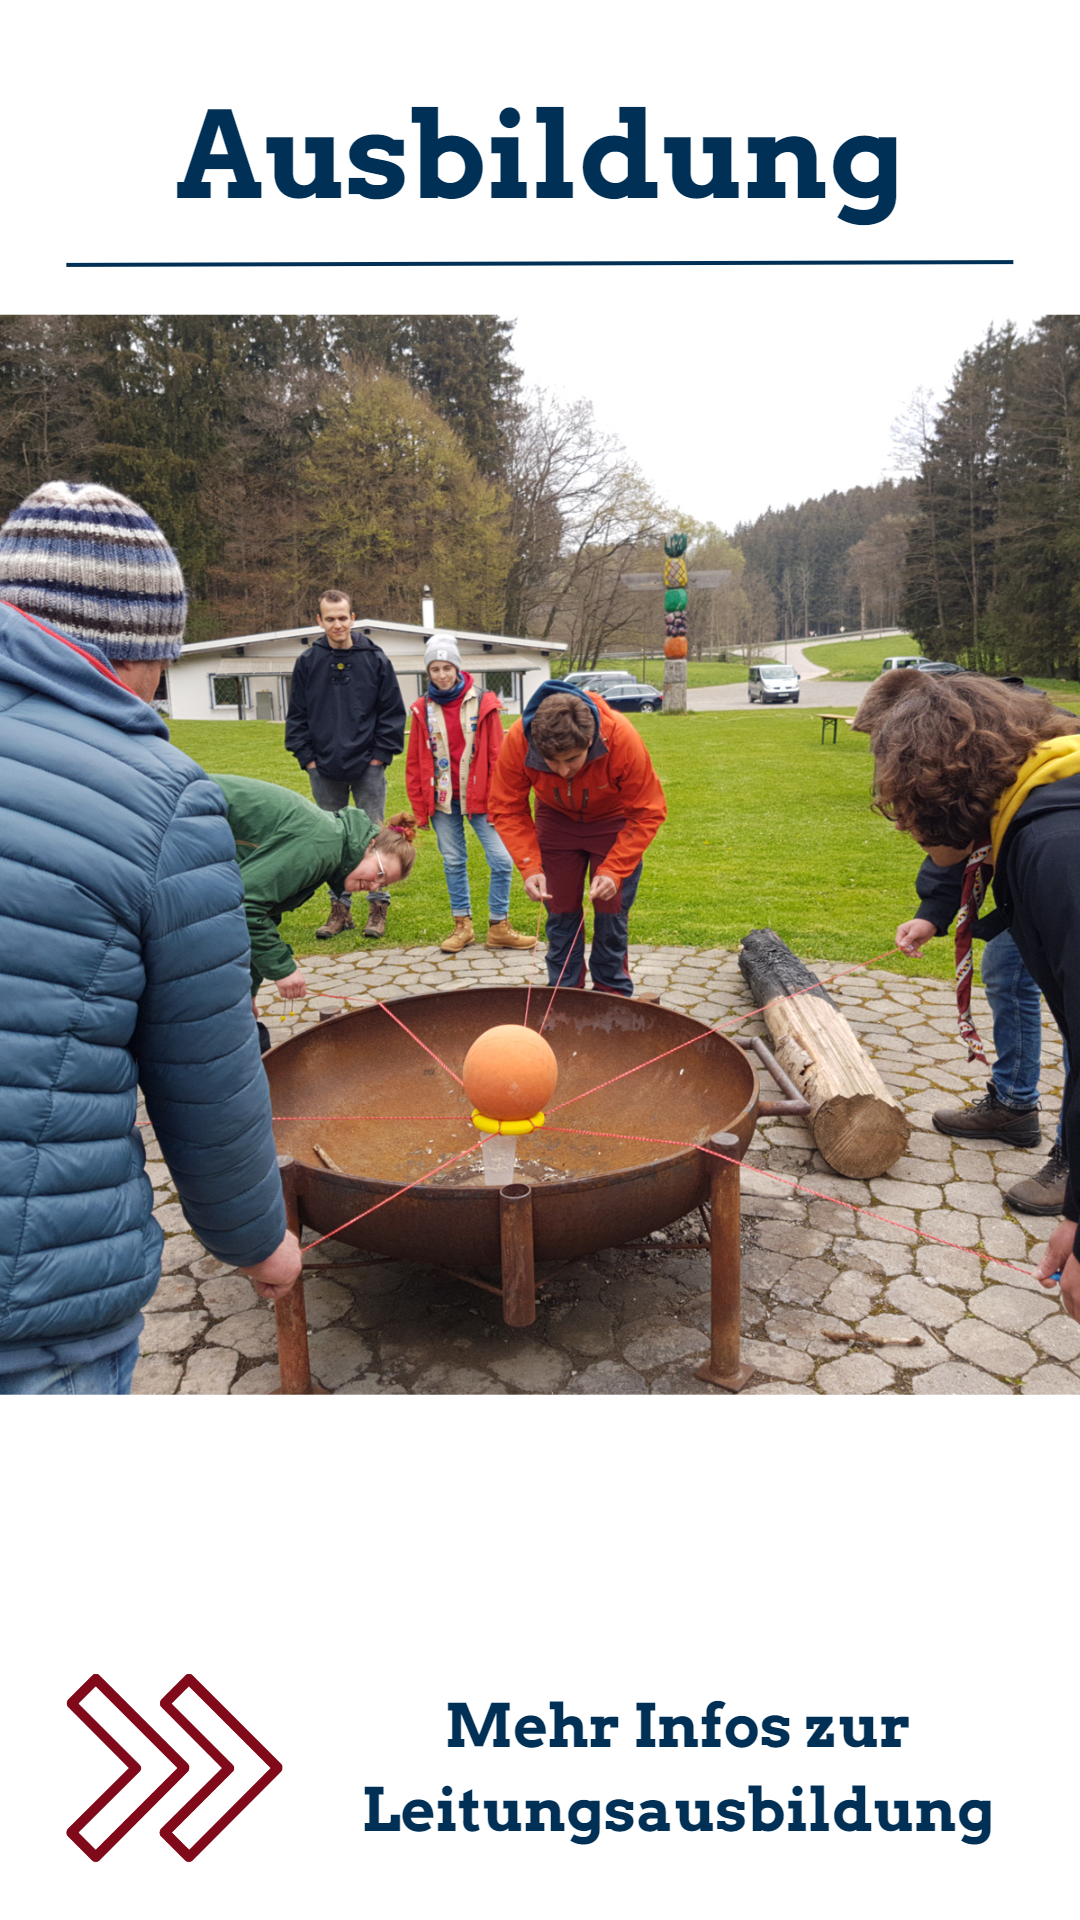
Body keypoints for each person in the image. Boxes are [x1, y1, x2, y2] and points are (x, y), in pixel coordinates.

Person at [0, 480, 300, 1394]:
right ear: (134, 648)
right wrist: (258, 1240)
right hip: (36, 1302)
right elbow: (207, 1072)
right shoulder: (160, 796)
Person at [853, 670, 1080, 1322]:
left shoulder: (1055, 849)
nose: (902, 825)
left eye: (904, 806)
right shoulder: (1034, 809)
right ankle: (1011, 1103)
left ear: (946, 789)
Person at [487, 680, 666, 996]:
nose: (562, 771)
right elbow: (506, 806)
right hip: (556, 824)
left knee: (611, 916)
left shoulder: (621, 737)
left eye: (572, 759)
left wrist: (614, 869)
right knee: (561, 915)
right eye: (551, 761)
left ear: (592, 740)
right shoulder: (518, 738)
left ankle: (611, 994)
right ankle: (564, 993)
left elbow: (647, 812)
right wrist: (530, 866)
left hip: (612, 823)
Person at [214, 775, 416, 1004]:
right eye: (380, 873)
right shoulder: (323, 844)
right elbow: (245, 904)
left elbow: (265, 910)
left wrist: (248, 994)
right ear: (370, 845)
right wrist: (283, 969)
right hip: (182, 809)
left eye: (383, 884)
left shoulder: (332, 846)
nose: (375, 886)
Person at [284, 588, 406, 941]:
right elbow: (298, 716)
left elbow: (391, 713)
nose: (337, 624)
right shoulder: (308, 662)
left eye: (343, 617)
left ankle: (377, 909)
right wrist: (307, 759)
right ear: (319, 620)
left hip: (368, 766)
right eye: (330, 618)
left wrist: (380, 756)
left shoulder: (375, 659)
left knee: (373, 837)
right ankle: (340, 910)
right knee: (333, 841)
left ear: (353, 618)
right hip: (323, 768)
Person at [405, 632, 536, 954]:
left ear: (457, 667)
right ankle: (462, 926)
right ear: (428, 673)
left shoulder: (484, 702)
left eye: (446, 667)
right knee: (453, 862)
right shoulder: (423, 708)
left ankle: (499, 925)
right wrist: (420, 808)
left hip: (483, 798)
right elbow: (416, 761)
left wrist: (501, 800)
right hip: (443, 800)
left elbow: (497, 755)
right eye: (434, 669)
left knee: (503, 860)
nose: (441, 675)